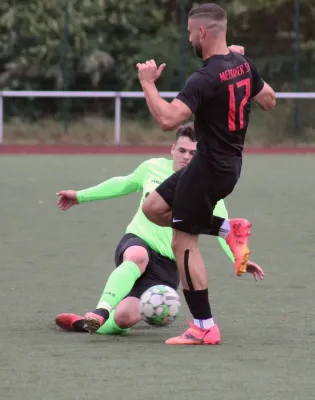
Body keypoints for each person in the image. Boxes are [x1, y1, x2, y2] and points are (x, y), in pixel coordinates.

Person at [135, 3, 276, 345]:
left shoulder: (203, 77)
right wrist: (242, 70)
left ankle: (203, 326)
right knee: (153, 208)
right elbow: (269, 100)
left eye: (188, 33)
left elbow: (169, 120)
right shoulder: (243, 64)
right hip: (223, 165)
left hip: (209, 169)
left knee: (183, 241)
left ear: (201, 33)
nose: (188, 39)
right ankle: (230, 228)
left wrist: (148, 84)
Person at [54, 123, 265, 336]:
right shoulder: (152, 168)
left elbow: (226, 229)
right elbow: (122, 183)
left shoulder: (206, 189)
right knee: (137, 256)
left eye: (193, 153)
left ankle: (85, 325)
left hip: (168, 264)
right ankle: (102, 309)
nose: (186, 157)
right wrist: (80, 196)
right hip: (139, 240)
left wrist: (239, 260)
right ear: (172, 149)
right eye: (182, 150)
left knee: (124, 318)